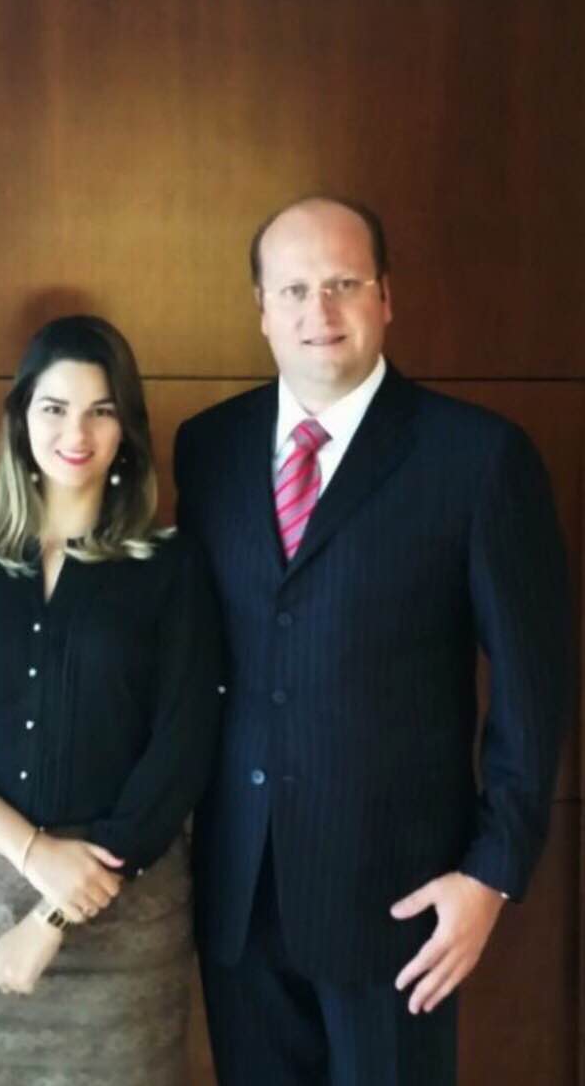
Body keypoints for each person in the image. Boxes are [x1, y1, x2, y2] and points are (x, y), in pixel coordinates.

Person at [173, 196, 571, 1085]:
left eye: (344, 283)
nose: (319, 310)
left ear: (386, 297)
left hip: (401, 906)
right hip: (240, 897)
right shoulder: (207, 449)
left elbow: (533, 686)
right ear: (262, 308)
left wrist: (492, 873)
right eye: (295, 289)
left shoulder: (479, 458)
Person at [0, 314, 222, 1086]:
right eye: (55, 407)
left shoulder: (171, 567)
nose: (77, 432)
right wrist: (34, 853)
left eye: (102, 410)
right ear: (20, 418)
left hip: (122, 926)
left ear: (126, 428)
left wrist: (55, 913)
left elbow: (181, 751)